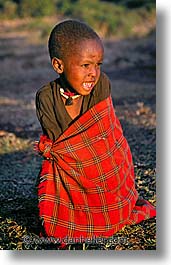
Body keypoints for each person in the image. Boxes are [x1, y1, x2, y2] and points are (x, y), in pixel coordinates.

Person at [35, 20, 156, 244]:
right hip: (72, 176)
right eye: (85, 65)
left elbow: (107, 140)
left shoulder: (101, 86)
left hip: (106, 174)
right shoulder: (46, 97)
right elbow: (63, 150)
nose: (94, 73)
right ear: (58, 66)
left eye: (98, 64)